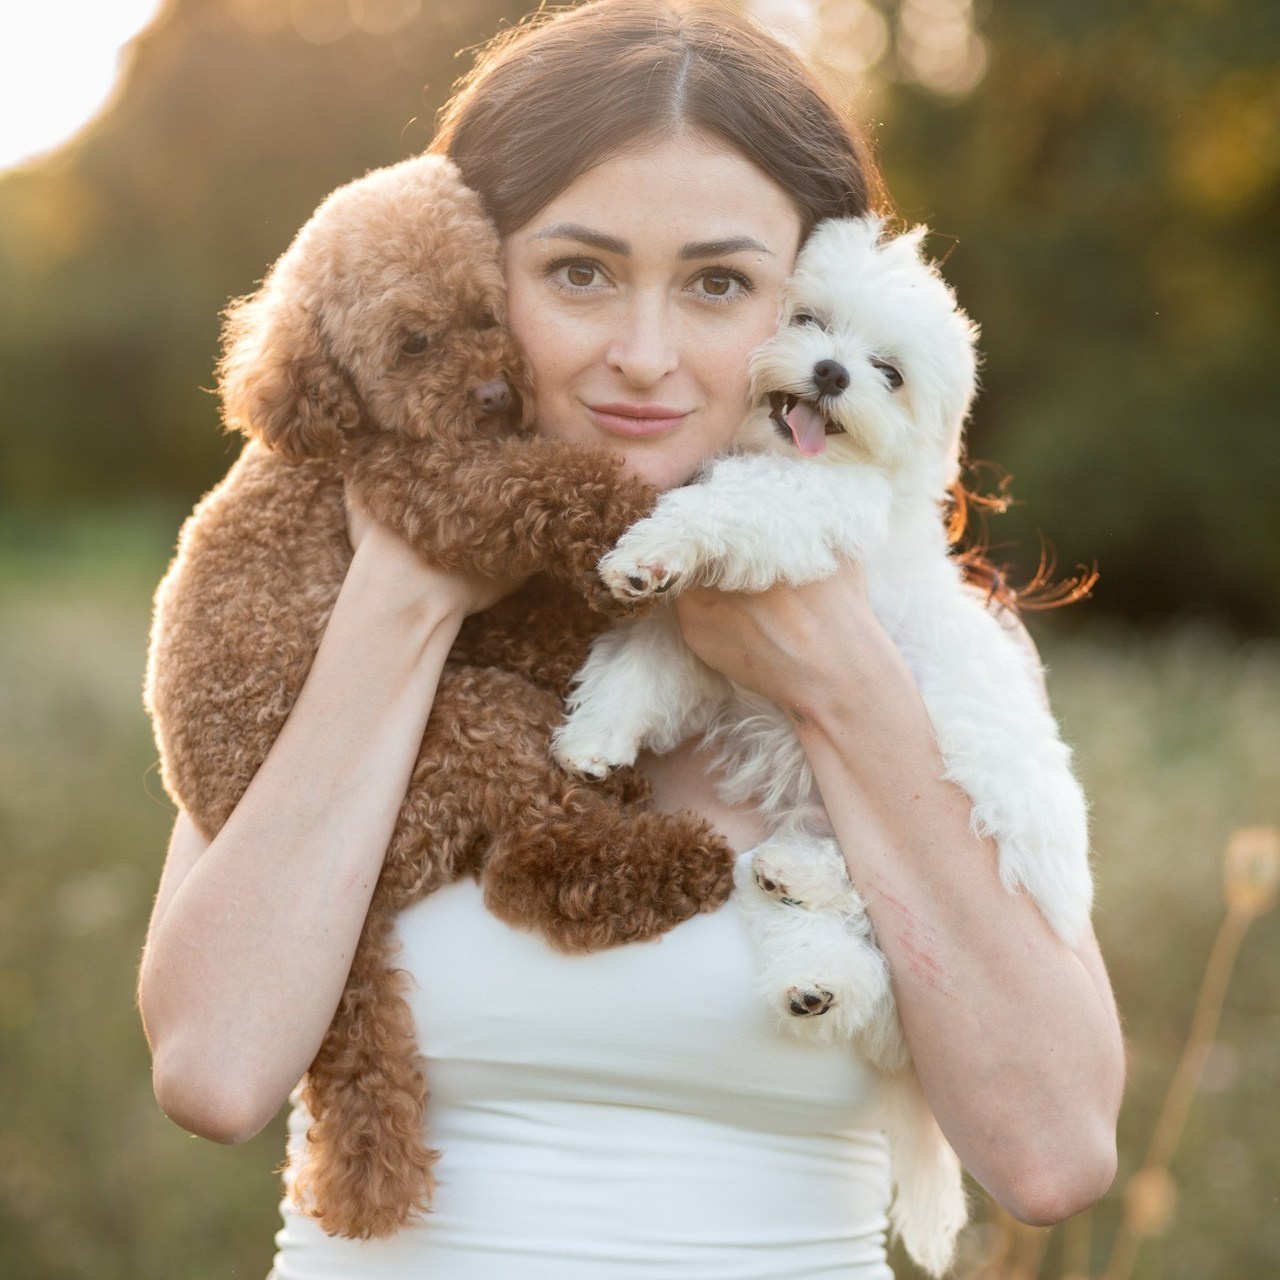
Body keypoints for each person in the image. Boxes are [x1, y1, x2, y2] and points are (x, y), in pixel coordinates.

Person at [137, 2, 1125, 1276]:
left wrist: (835, 682)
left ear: (813, 297)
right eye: (579, 272)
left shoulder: (940, 652)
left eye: (717, 283)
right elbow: (214, 1067)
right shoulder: (308, 584)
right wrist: (402, 601)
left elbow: (1049, 1153)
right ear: (475, 266)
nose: (643, 357)